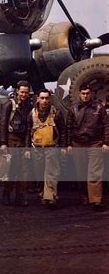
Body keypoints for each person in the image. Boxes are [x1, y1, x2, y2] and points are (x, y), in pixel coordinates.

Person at [67, 84, 108, 212]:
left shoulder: (98, 108)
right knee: (81, 172)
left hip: (95, 142)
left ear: (91, 94)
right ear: (79, 94)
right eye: (83, 93)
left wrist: (106, 142)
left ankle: (96, 200)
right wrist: (68, 144)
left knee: (94, 172)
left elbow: (106, 125)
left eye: (87, 93)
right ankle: (84, 196)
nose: (85, 96)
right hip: (78, 143)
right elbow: (69, 128)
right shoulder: (73, 108)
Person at [25, 89, 66, 210]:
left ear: (50, 99)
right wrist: (27, 148)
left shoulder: (56, 113)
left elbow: (63, 131)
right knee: (39, 173)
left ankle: (51, 197)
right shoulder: (31, 114)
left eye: (47, 98)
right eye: (42, 98)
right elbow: (28, 131)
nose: (44, 101)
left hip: (51, 148)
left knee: (51, 173)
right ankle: (43, 194)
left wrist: (63, 147)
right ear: (37, 99)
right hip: (36, 148)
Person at [0, 80, 33, 206]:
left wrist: (28, 145)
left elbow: (30, 127)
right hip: (11, 138)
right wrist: (3, 143)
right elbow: (3, 123)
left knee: (24, 169)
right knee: (10, 169)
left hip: (23, 139)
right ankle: (6, 193)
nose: (24, 94)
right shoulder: (9, 105)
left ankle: (21, 196)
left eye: (26, 92)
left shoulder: (30, 106)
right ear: (17, 91)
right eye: (22, 92)